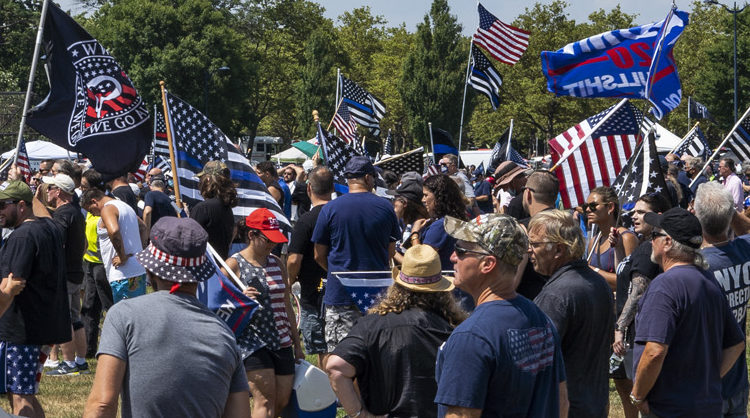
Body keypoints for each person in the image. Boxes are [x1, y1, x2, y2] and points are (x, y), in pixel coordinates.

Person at [84, 217, 250, 417]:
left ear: (151, 270)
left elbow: (102, 405)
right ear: (200, 273)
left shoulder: (124, 316)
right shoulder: (225, 333)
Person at [435, 214, 568, 416]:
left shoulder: (471, 337)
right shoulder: (540, 319)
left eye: (461, 250)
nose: (453, 257)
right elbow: (562, 402)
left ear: (487, 264)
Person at [631, 207, 745, 417]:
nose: (650, 241)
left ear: (667, 242)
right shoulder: (707, 279)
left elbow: (654, 351)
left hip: (670, 409)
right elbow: (736, 343)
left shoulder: (664, 287)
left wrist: (637, 396)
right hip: (705, 406)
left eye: (654, 235)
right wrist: (707, 381)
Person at [327, 244, 465, 417]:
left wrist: (360, 414)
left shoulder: (371, 325)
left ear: (398, 285)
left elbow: (336, 368)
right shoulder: (457, 328)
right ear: (442, 290)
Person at [530, 210, 613, 418]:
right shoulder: (598, 283)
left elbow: (536, 362)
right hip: (594, 404)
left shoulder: (556, 295)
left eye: (534, 244)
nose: (528, 251)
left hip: (566, 408)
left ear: (558, 249)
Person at [312, 156, 400, 351]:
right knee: (377, 357)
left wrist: (338, 271)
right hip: (377, 294)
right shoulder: (386, 207)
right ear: (368, 178)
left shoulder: (330, 209)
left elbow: (318, 254)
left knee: (342, 357)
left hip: (340, 294)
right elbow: (391, 251)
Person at [223, 208, 303, 418]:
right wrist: (239, 298)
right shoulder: (233, 265)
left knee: (282, 399)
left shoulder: (277, 263)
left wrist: (297, 343)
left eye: (275, 240)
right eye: (268, 240)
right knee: (265, 399)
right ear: (252, 235)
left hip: (281, 340)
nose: (272, 245)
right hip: (252, 341)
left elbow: (287, 306)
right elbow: (217, 305)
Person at [0, 181, 70, 417]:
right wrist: (33, 191)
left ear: (21, 206)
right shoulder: (49, 227)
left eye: (2, 206)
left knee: (20, 395)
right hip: (43, 323)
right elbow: (41, 212)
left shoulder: (22, 236)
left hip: (22, 329)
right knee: (21, 391)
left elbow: (12, 285)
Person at [611, 192, 671, 418]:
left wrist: (619, 329)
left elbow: (637, 292)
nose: (633, 216)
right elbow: (624, 281)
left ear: (657, 216)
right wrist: (618, 250)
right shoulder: (644, 245)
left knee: (646, 400)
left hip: (641, 335)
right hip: (638, 334)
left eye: (641, 212)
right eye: (634, 211)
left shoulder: (647, 250)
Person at [694, 182, 750, 417]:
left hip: (704, 381)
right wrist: (728, 211)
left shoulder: (695, 265)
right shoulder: (744, 250)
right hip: (736, 377)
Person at [35, 174, 89, 377]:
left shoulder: (64, 213)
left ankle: (68, 364)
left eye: (50, 187)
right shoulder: (75, 211)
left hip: (65, 274)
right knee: (75, 318)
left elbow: (54, 238)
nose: (47, 190)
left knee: (64, 320)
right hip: (75, 271)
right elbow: (82, 244)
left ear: (59, 191)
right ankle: (81, 362)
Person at [287, 167, 333, 367]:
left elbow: (293, 259)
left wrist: (290, 279)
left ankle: (330, 395)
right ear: (332, 188)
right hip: (340, 291)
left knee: (322, 349)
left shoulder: (306, 220)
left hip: (312, 294)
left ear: (308, 189)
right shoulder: (339, 214)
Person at [410, 174, 473, 311]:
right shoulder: (455, 220)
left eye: (426, 195)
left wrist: (414, 234)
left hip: (448, 295)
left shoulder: (441, 225)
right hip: (459, 291)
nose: (423, 200)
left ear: (439, 197)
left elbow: (422, 262)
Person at [81, 188, 148, 303]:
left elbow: (114, 231)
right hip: (137, 270)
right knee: (137, 313)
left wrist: (122, 257)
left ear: (94, 201)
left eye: (90, 210)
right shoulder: (124, 206)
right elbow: (143, 227)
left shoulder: (107, 209)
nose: (91, 213)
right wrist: (139, 251)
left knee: (125, 315)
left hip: (123, 275)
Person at [78, 169, 113, 360]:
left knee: (110, 306)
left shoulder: (107, 207)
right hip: (89, 264)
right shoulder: (88, 210)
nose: (81, 190)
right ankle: (89, 349)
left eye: (84, 187)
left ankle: (113, 347)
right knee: (89, 307)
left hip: (104, 266)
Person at [584, 186, 638, 290]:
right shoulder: (594, 241)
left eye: (593, 205)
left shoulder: (626, 238)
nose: (587, 210)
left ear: (610, 207)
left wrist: (594, 271)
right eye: (586, 206)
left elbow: (629, 280)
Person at [190, 161, 237, 259]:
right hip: (219, 263)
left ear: (207, 179)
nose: (200, 182)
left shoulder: (203, 208)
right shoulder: (226, 206)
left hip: (204, 264)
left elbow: (190, 239)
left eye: (201, 179)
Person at [389, 172, 429, 264]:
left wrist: (391, 250)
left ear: (404, 203)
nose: (393, 203)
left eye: (395, 199)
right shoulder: (407, 223)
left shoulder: (420, 225)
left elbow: (413, 264)